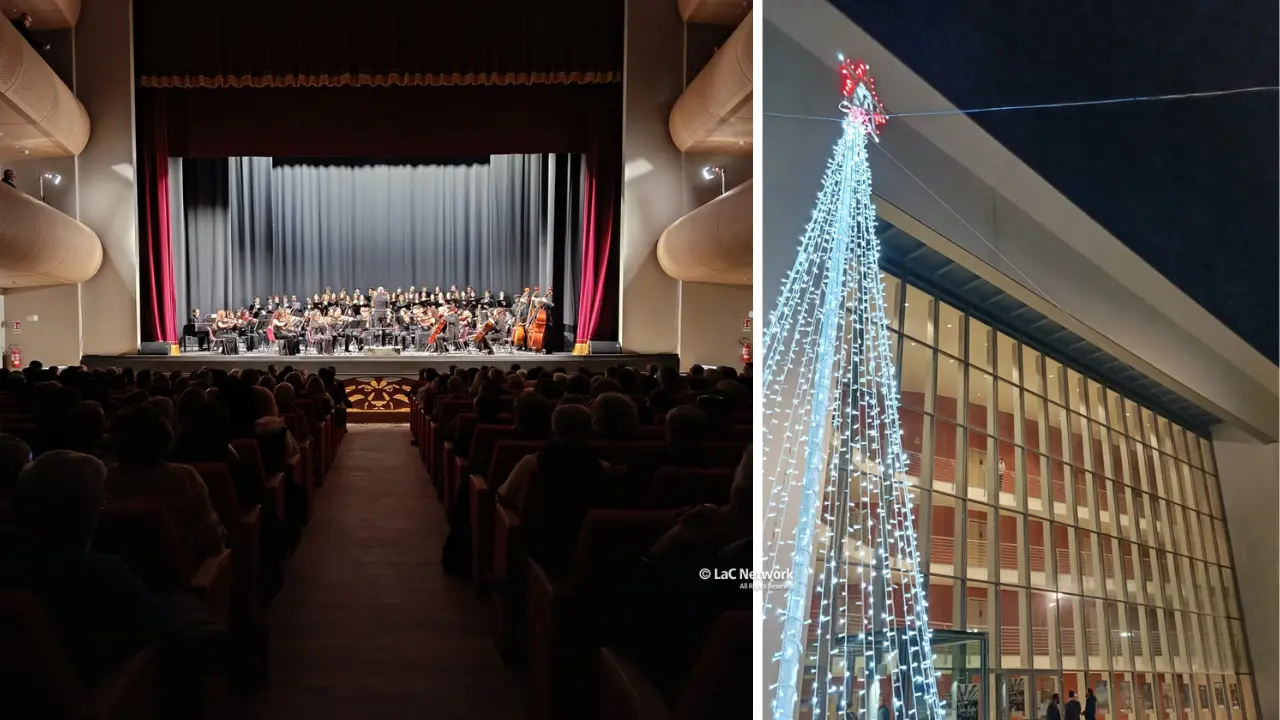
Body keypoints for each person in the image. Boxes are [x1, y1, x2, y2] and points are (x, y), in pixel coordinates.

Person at [105, 405, 227, 560]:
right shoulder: (184, 478)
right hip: (181, 571)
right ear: (164, 436)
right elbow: (213, 541)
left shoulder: (104, 478)